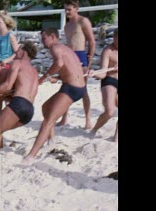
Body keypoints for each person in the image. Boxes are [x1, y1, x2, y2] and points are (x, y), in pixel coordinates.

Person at [22, 28, 86, 164]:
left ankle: (31, 155)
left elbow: (59, 64)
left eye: (44, 38)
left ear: (52, 36)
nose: (42, 41)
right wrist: (57, 77)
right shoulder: (64, 48)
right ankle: (51, 141)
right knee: (46, 108)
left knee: (49, 120)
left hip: (72, 88)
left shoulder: (55, 47)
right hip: (74, 86)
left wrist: (44, 77)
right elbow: (70, 69)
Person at [0, 41, 39, 172]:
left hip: (19, 104)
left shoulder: (17, 63)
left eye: (19, 49)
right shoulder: (34, 70)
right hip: (29, 111)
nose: (16, 51)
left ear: (24, 51)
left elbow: (7, 86)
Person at [58, 0, 96, 129]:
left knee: (83, 90)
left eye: (69, 9)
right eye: (65, 9)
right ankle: (64, 118)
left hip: (81, 55)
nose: (67, 12)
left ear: (76, 9)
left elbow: (92, 41)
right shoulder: (67, 26)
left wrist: (89, 61)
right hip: (70, 56)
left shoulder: (83, 21)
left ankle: (88, 119)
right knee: (66, 88)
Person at [88, 28, 118, 142]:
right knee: (109, 111)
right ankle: (94, 129)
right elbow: (103, 73)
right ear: (114, 38)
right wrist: (94, 73)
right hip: (109, 80)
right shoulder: (108, 51)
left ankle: (116, 137)